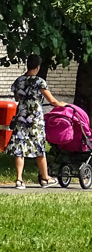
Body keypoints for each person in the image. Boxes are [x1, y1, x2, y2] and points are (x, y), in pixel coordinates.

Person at [6, 54, 66, 189]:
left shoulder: (18, 81)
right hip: (35, 120)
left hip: (21, 117)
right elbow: (52, 101)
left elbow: (17, 97)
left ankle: (19, 180)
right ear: (38, 67)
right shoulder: (39, 82)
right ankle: (45, 178)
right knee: (39, 147)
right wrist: (61, 104)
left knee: (19, 148)